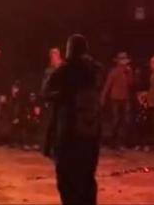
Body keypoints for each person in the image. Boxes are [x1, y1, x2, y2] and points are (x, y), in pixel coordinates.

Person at [43, 34, 102, 205]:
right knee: (87, 178)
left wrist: (60, 95)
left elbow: (46, 93)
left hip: (68, 133)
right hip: (91, 132)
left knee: (67, 180)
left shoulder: (64, 70)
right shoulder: (95, 70)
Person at [100, 51, 133, 149]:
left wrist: (129, 73)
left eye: (124, 60)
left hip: (125, 98)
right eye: (121, 60)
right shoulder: (113, 71)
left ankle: (125, 142)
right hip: (115, 99)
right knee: (116, 120)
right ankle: (114, 142)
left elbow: (131, 83)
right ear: (118, 61)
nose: (123, 62)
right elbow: (107, 85)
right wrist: (103, 96)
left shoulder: (128, 71)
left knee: (126, 120)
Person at [8, 80, 26, 148]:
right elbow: (10, 108)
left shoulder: (19, 99)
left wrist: (17, 118)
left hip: (19, 117)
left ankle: (19, 142)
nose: (14, 90)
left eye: (15, 88)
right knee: (12, 129)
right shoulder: (11, 98)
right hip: (12, 117)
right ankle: (12, 142)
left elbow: (20, 109)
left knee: (18, 129)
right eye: (13, 89)